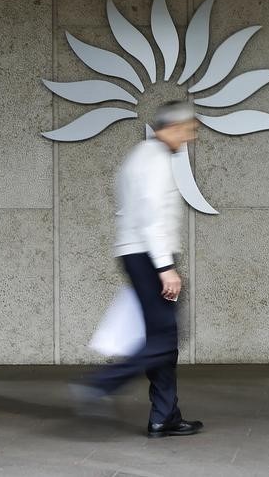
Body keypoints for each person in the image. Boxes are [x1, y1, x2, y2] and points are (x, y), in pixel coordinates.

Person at [72, 100, 203, 438]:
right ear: (171, 128)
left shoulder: (139, 157)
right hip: (148, 255)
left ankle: (164, 415)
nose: (190, 137)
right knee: (163, 338)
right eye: (188, 130)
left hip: (139, 253)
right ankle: (102, 384)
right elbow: (152, 217)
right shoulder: (156, 160)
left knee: (165, 339)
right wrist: (166, 268)